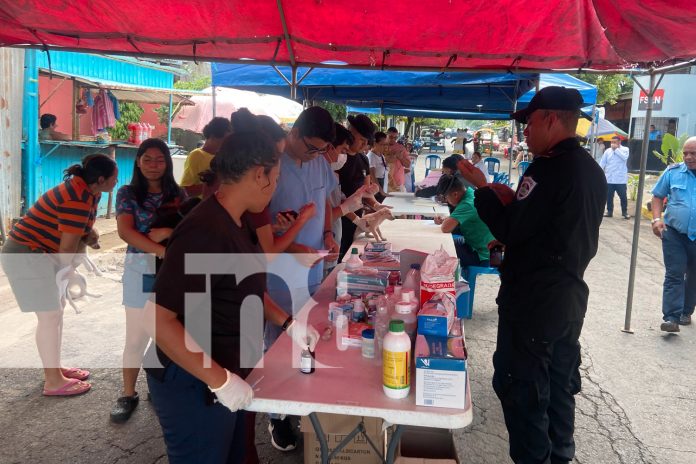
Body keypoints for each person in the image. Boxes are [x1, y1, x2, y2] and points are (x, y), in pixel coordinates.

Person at [143, 126, 318, 463]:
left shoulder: (240, 220)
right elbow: (157, 319)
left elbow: (246, 286)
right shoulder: (203, 230)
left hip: (231, 365)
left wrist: (288, 323)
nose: (277, 186)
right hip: (191, 378)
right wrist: (220, 380)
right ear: (258, 175)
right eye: (276, 177)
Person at [456, 86, 606, 464]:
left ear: (551, 119)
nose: (525, 131)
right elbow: (545, 222)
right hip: (567, 298)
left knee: (522, 388)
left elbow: (509, 228)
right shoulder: (589, 169)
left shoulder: (549, 168)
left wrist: (484, 189)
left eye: (529, 122)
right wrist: (510, 198)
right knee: (558, 386)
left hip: (534, 301)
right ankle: (560, 456)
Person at [1, 154, 118, 396]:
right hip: (26, 253)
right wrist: (69, 273)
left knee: (57, 310)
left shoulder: (88, 191)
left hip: (41, 253)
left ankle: (56, 369)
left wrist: (67, 271)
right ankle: (53, 380)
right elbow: (67, 246)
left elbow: (78, 236)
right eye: (114, 178)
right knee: (50, 315)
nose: (117, 183)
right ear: (101, 179)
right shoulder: (77, 197)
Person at [264, 106, 338, 451]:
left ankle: (305, 397)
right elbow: (260, 226)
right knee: (277, 339)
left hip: (314, 264)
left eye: (322, 150)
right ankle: (277, 415)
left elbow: (323, 198)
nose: (316, 155)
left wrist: (326, 234)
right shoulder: (270, 165)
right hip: (280, 268)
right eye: (311, 147)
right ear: (293, 133)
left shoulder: (319, 160)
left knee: (309, 331)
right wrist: (293, 246)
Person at [111, 138, 186, 423]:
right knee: (135, 337)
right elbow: (126, 232)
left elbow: (187, 228)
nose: (154, 165)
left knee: (165, 335)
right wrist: (162, 249)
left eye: (160, 160)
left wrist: (167, 232)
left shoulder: (178, 194)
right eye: (147, 159)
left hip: (170, 273)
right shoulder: (127, 193)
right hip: (139, 270)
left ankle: (159, 388)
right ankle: (127, 393)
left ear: (167, 163)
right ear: (138, 162)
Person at [650, 137, 696, 333]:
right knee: (674, 273)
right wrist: (656, 219)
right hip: (674, 233)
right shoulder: (673, 172)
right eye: (685, 153)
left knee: (693, 276)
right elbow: (658, 196)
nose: (688, 157)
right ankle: (671, 317)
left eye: (693, 153)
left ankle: (686, 311)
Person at [337, 115, 379, 259]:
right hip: (339, 219)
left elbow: (366, 192)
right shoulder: (337, 159)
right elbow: (335, 198)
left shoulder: (363, 159)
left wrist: (377, 206)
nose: (364, 145)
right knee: (339, 258)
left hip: (357, 220)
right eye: (361, 139)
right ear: (351, 132)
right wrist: (356, 219)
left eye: (366, 141)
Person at [436, 174, 495, 268]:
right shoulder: (470, 193)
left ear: (455, 194)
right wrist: (446, 220)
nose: (446, 201)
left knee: (444, 251)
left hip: (483, 255)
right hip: (482, 245)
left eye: (446, 197)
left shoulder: (467, 204)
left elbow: (445, 228)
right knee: (446, 245)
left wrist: (446, 222)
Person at [179, 117, 232, 197]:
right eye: (224, 140)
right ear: (213, 136)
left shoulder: (227, 156)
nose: (226, 144)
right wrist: (214, 184)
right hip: (202, 205)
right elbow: (187, 189)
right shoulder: (197, 155)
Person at [599, 135, 630, 219]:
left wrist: (616, 149)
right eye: (611, 142)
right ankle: (609, 211)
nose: (612, 144)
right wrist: (599, 172)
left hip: (620, 179)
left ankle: (624, 212)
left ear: (619, 142)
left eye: (614, 142)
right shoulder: (607, 151)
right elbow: (602, 163)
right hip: (609, 178)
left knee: (623, 196)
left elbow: (624, 158)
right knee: (609, 196)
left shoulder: (625, 149)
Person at [384, 127, 411, 192]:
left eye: (395, 138)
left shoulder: (401, 148)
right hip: (384, 182)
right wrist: (394, 155)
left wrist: (401, 158)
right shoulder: (381, 146)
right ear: (386, 135)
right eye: (390, 137)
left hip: (398, 182)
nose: (393, 139)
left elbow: (408, 165)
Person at [367, 131, 389, 201]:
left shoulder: (381, 155)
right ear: (374, 143)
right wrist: (381, 191)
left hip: (382, 184)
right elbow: (372, 176)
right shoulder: (371, 156)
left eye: (385, 144)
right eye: (382, 144)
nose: (385, 147)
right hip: (376, 186)